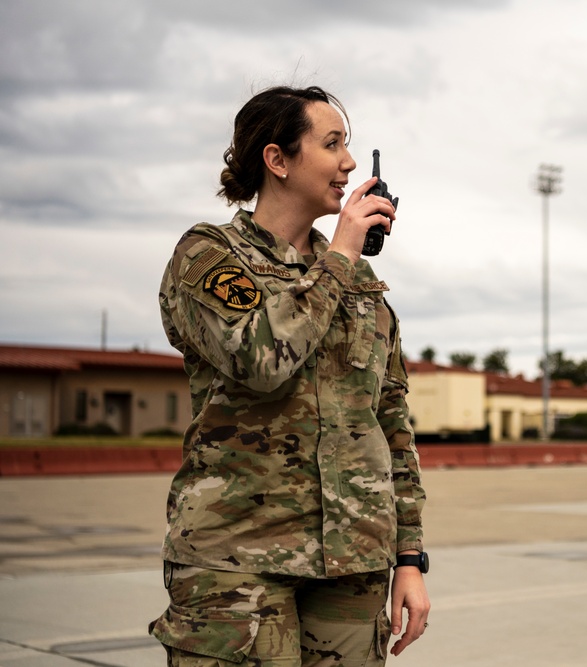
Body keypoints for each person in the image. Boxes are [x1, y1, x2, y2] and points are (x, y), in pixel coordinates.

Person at [149, 85, 429, 666]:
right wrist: (342, 255)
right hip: (236, 563)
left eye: (348, 146)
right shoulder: (209, 257)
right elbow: (263, 360)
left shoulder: (362, 287)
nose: (349, 164)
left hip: (352, 565)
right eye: (332, 144)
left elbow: (391, 425)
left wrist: (409, 557)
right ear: (277, 160)